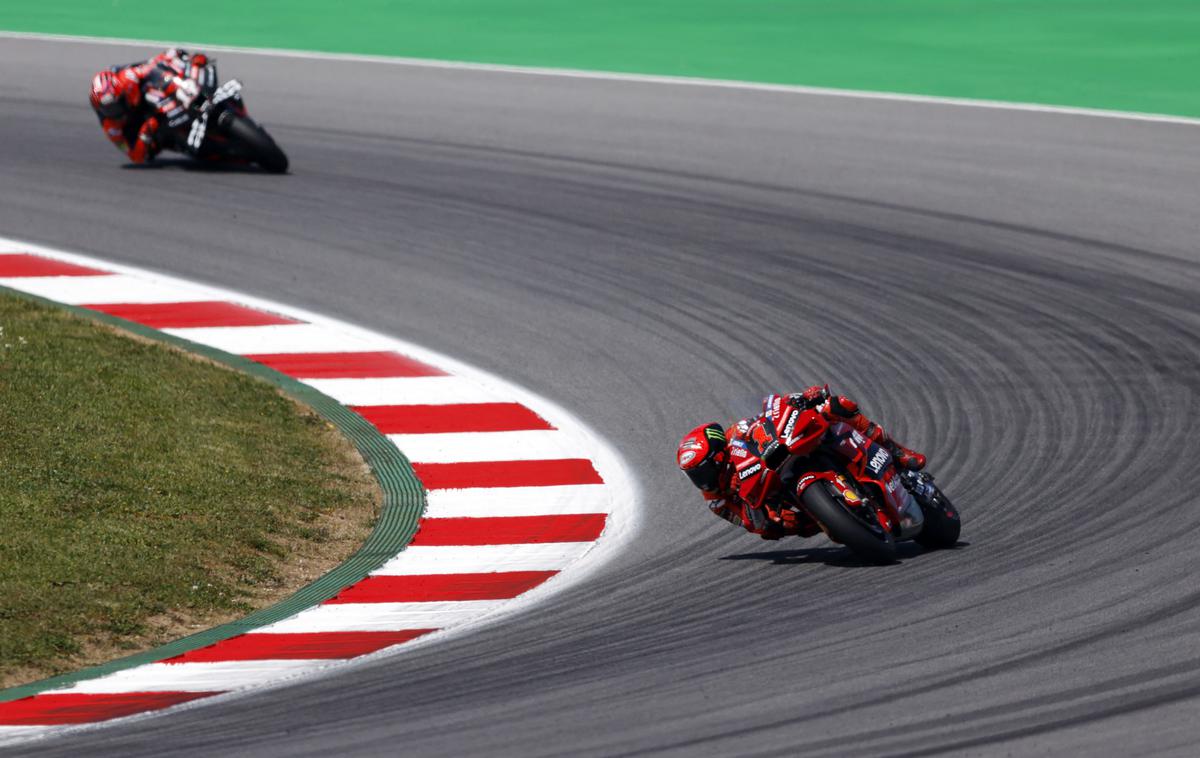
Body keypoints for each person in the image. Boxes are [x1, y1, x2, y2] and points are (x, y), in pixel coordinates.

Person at [676, 385, 926, 540]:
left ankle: (896, 451)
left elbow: (765, 421)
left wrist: (799, 400)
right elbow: (749, 522)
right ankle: (846, 518)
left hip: (785, 453)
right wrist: (773, 521)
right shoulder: (716, 501)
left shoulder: (735, 436)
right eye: (693, 475)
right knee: (808, 528)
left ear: (719, 456)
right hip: (786, 503)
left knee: (834, 407)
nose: (701, 480)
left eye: (703, 470)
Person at [88, 49, 212, 164]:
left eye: (116, 105)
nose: (115, 111)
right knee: (152, 150)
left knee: (171, 54)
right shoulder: (110, 126)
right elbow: (135, 156)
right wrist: (146, 131)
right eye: (108, 109)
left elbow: (152, 68)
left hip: (145, 98)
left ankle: (195, 77)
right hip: (143, 127)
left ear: (123, 93)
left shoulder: (127, 77)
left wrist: (177, 86)